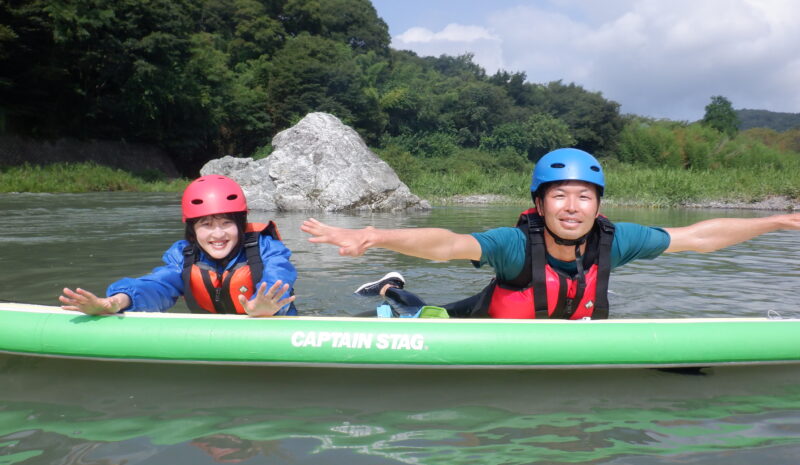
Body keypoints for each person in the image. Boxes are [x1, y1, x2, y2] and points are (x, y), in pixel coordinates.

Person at [301, 148, 800, 319]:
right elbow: (450, 244)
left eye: (585, 196)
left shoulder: (614, 240)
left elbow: (698, 237)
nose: (572, 206)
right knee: (422, 310)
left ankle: (393, 284)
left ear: (599, 205)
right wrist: (376, 234)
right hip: (480, 322)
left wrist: (777, 221)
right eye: (559, 195)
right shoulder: (516, 244)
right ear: (539, 204)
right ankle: (391, 286)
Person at [60, 174, 297, 317]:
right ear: (192, 230)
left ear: (240, 224)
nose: (218, 234)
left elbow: (279, 273)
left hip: (268, 319)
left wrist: (264, 303)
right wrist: (115, 302)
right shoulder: (183, 257)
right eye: (206, 224)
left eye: (227, 223)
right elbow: (158, 285)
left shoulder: (266, 247)